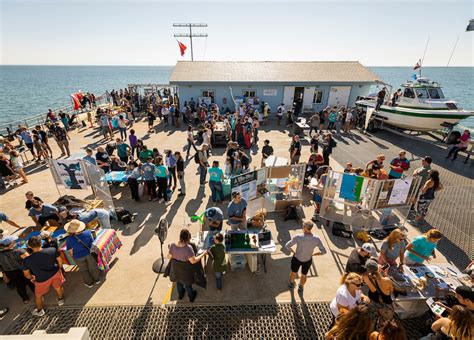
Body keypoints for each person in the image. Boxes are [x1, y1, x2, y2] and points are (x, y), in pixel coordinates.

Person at [22, 235, 65, 317]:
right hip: (55, 273)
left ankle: (39, 310)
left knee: (38, 295)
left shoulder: (27, 260)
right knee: (58, 287)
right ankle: (60, 299)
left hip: (41, 279)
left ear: (29, 246)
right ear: (41, 243)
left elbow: (26, 274)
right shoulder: (52, 250)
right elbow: (60, 260)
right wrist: (59, 268)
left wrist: (31, 278)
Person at [285, 220, 326, 293]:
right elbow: (323, 251)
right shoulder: (316, 239)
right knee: (304, 275)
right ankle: (301, 287)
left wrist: (294, 252)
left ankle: (291, 283)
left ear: (304, 227)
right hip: (308, 260)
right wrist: (314, 254)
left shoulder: (298, 237)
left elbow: (287, 246)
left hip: (297, 258)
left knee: (294, 272)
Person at [167, 229, 207, 302]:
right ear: (188, 238)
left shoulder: (172, 245)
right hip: (185, 271)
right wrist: (203, 254)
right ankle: (191, 297)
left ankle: (180, 295)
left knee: (178, 281)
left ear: (180, 237)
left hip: (176, 269)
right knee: (188, 284)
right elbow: (193, 261)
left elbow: (169, 257)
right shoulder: (188, 248)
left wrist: (174, 252)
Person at [64, 219, 100, 288]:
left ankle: (89, 283)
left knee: (84, 270)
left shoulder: (69, 239)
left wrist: (72, 256)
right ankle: (97, 279)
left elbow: (70, 250)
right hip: (89, 254)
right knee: (93, 267)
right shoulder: (88, 233)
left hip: (78, 257)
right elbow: (92, 242)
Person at [0, 235, 35, 303]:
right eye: (13, 241)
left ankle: (25, 299)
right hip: (23, 270)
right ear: (10, 244)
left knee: (19, 285)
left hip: (10, 272)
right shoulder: (19, 251)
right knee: (30, 282)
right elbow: (29, 260)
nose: (15, 242)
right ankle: (37, 294)